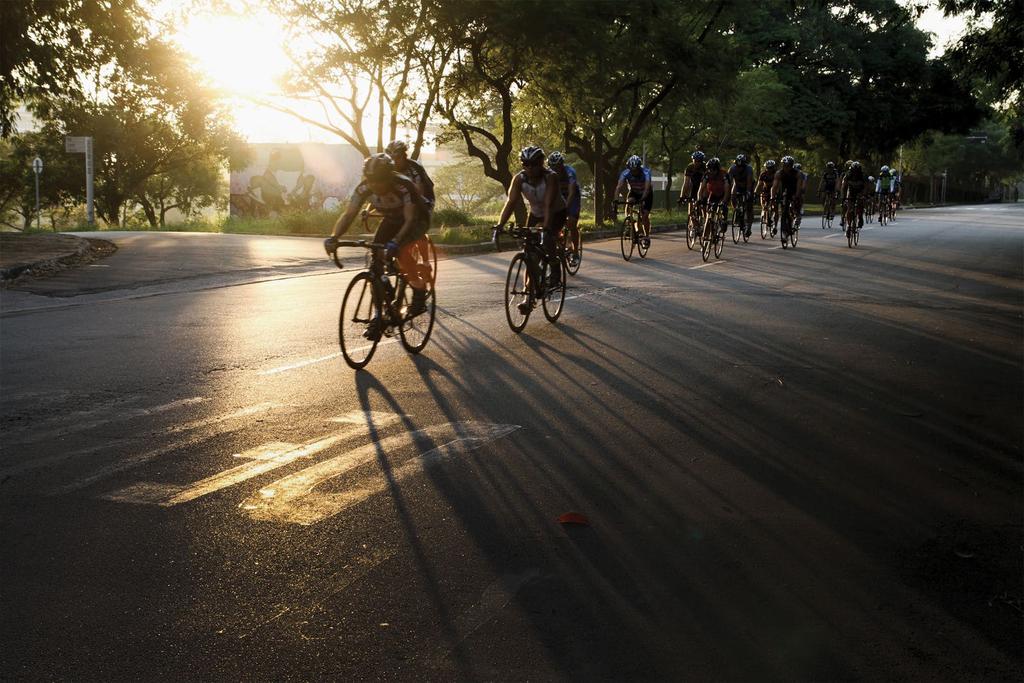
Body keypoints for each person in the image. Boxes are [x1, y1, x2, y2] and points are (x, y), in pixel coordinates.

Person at [324, 153, 431, 332]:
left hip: (416, 220)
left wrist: (396, 242)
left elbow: (410, 219)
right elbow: (349, 214)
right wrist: (334, 237)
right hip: (391, 219)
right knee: (376, 259)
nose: (375, 184)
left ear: (389, 176)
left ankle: (419, 290)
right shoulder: (364, 188)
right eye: (371, 180)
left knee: (402, 254)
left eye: (379, 180)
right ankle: (379, 312)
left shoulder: (404, 185)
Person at [495, 146, 568, 294]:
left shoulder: (550, 177)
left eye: (533, 164)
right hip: (535, 213)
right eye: (525, 164)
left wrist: (546, 229)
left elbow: (549, 205)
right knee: (529, 253)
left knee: (547, 238)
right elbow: (510, 203)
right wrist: (499, 225)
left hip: (556, 212)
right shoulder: (519, 179)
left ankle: (554, 267)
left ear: (541, 163)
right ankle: (528, 294)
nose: (529, 168)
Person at [547, 151, 581, 265]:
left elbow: (571, 193)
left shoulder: (570, 172)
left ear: (562, 165)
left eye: (558, 167)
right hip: (559, 196)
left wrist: (566, 208)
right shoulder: (549, 174)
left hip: (573, 197)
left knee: (571, 223)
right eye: (553, 167)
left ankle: (575, 252)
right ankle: (561, 241)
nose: (556, 169)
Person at [385, 140, 435, 214]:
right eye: (391, 159)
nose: (395, 162)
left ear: (404, 156)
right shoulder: (387, 167)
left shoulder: (414, 167)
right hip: (403, 199)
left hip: (424, 198)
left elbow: (419, 191)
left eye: (398, 158)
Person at [614, 154, 653, 245]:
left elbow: (647, 188)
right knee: (629, 202)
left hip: (646, 193)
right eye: (632, 170)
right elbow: (618, 187)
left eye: (635, 170)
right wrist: (615, 200)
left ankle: (646, 235)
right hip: (634, 191)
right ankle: (629, 222)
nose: (634, 172)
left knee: (644, 216)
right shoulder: (625, 173)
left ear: (639, 168)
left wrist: (642, 199)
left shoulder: (646, 172)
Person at [771, 156, 802, 240]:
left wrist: (796, 196)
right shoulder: (779, 173)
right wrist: (772, 197)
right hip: (784, 192)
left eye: (788, 166)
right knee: (784, 211)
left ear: (792, 166)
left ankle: (797, 217)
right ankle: (785, 231)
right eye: (784, 165)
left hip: (794, 191)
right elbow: (774, 187)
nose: (786, 167)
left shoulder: (797, 173)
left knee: (795, 205)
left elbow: (799, 187)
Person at [698, 157, 731, 232]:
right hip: (713, 194)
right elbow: (701, 188)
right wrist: (699, 199)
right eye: (709, 169)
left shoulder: (724, 174)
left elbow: (727, 188)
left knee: (724, 207)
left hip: (723, 193)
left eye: (713, 169)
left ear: (718, 169)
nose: (711, 171)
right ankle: (709, 230)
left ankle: (724, 221)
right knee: (709, 212)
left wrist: (724, 201)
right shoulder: (707, 174)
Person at [727, 154, 755, 237]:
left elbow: (749, 181)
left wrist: (748, 192)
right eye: (738, 166)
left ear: (744, 165)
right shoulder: (732, 169)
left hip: (748, 185)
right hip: (738, 185)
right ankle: (737, 211)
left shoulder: (749, 169)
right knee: (732, 196)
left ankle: (749, 227)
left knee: (749, 206)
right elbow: (729, 182)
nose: (739, 168)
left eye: (741, 167)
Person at [839, 161, 867, 233]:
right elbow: (843, 187)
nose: (855, 173)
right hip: (851, 192)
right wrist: (843, 197)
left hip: (859, 191)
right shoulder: (848, 175)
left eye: (857, 171)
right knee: (849, 208)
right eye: (854, 171)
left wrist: (864, 195)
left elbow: (866, 187)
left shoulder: (862, 176)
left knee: (860, 203)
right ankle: (849, 225)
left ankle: (860, 217)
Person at [754, 159, 778, 228]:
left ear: (773, 168)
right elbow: (759, 184)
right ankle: (766, 217)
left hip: (774, 191)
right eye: (767, 168)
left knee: (775, 208)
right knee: (764, 206)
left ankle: (775, 226)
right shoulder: (763, 174)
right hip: (765, 191)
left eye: (770, 168)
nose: (769, 170)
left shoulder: (776, 174)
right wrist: (755, 192)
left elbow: (779, 185)